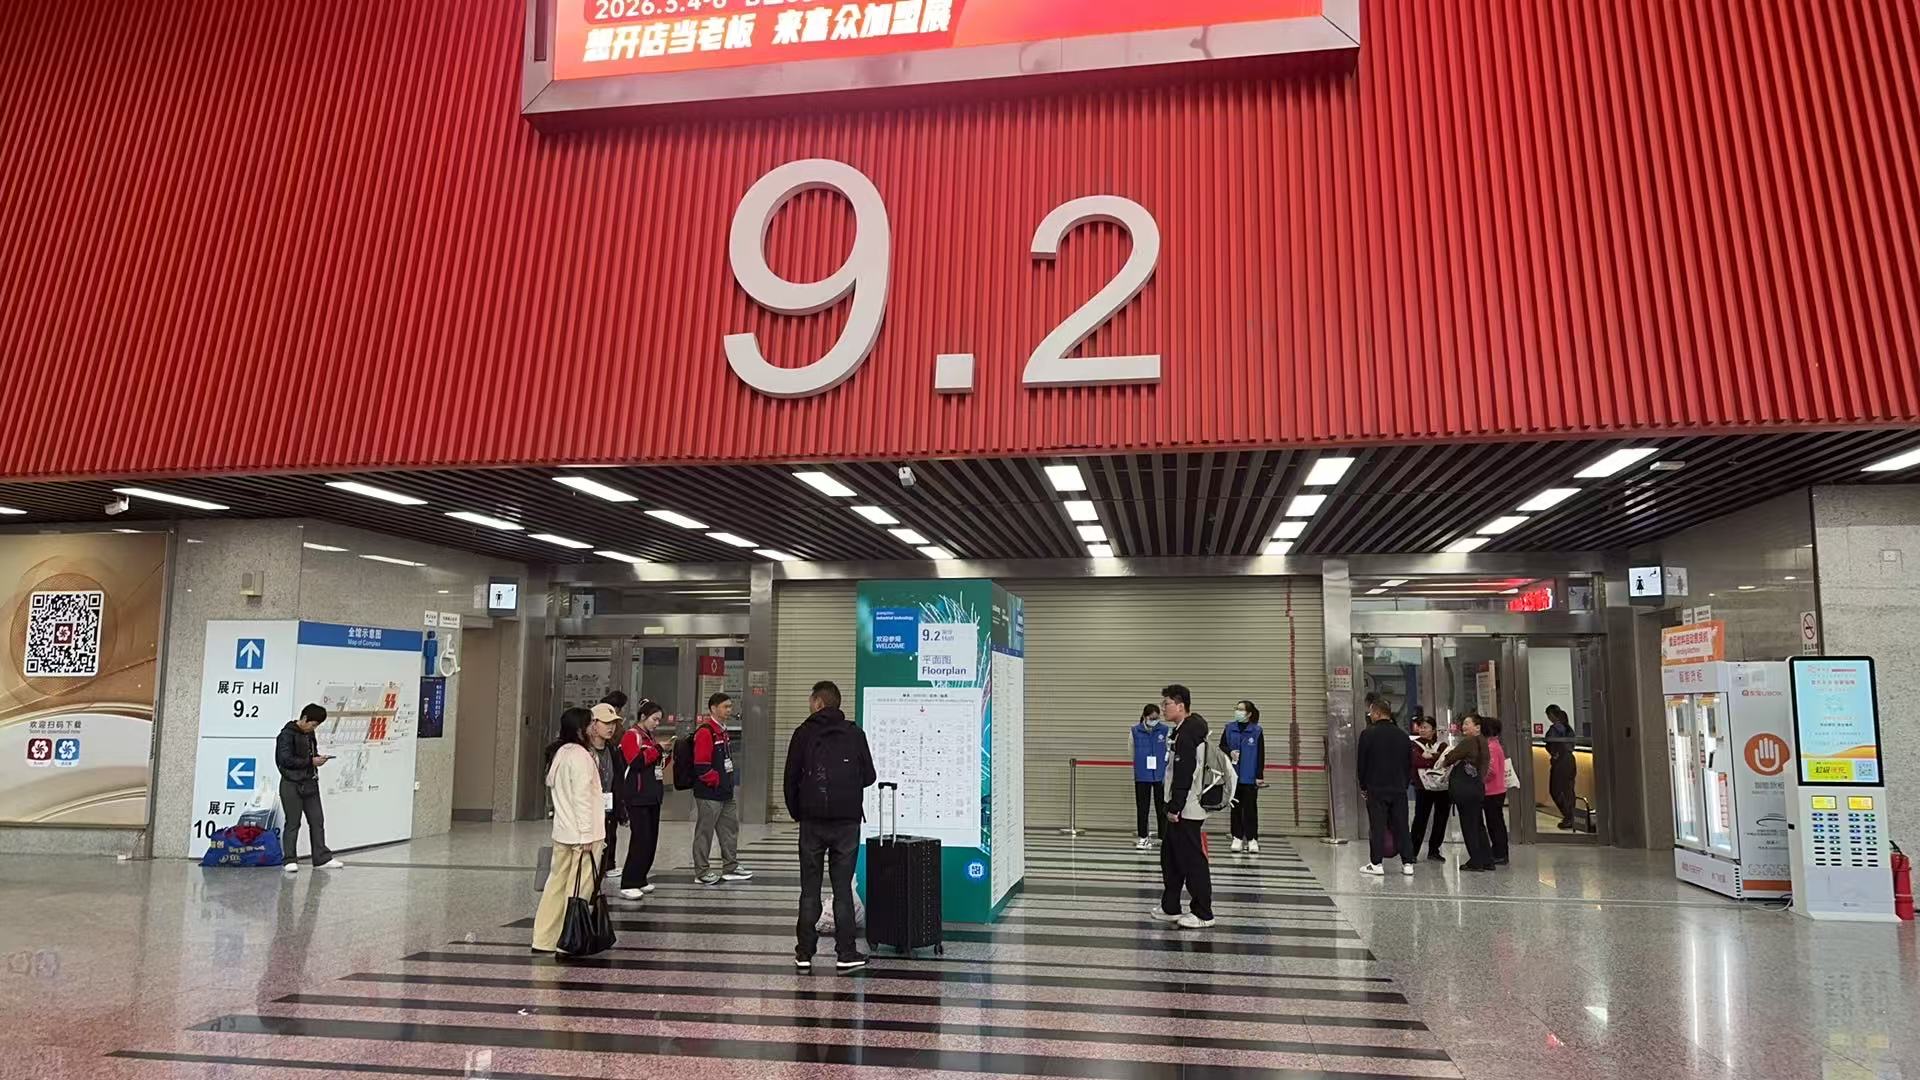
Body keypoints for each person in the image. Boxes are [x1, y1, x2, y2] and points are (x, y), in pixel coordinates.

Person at [783, 680, 877, 972]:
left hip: (812, 822)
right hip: (846, 823)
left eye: (811, 700)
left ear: (819, 703)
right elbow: (870, 776)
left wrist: (799, 812)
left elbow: (790, 779)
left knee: (809, 890)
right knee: (842, 889)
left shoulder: (803, 733)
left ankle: (804, 952)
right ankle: (845, 953)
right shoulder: (854, 733)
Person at [533, 707, 606, 954]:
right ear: (580, 729)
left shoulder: (561, 753)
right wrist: (586, 835)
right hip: (584, 835)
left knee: (555, 885)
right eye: (591, 723)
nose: (595, 727)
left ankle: (544, 938)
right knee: (579, 889)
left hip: (563, 832)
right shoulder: (581, 757)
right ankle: (569, 938)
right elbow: (582, 799)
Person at [1150, 684, 1215, 930]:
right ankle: (1171, 906)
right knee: (1171, 858)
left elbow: (1184, 774)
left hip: (1187, 809)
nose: (1163, 708)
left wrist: (1175, 807)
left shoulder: (1188, 734)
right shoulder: (1180, 731)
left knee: (1192, 861)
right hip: (1179, 806)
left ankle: (1203, 912)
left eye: (1166, 703)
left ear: (1180, 706)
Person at [691, 692, 752, 885]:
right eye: (725, 707)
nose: (729, 710)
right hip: (709, 793)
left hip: (725, 792)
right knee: (705, 832)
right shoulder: (705, 732)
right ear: (713, 708)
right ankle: (702, 871)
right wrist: (716, 781)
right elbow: (701, 766)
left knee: (729, 829)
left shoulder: (722, 732)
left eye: (730, 706)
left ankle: (730, 866)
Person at [276, 703, 345, 873]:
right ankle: (289, 859)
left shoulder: (309, 734)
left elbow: (310, 755)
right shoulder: (286, 735)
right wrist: (310, 762)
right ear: (305, 718)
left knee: (317, 820)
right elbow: (284, 760)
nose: (313, 728)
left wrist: (317, 759)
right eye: (313, 725)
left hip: (310, 782)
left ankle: (321, 857)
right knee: (293, 822)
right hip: (291, 783)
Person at [1356, 700, 1415, 876]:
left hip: (1376, 788)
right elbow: (1409, 763)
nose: (1370, 717)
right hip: (1398, 788)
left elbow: (1362, 763)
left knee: (1377, 826)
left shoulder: (1367, 734)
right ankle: (1407, 863)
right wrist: (1404, 784)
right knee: (1402, 825)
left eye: (1371, 713)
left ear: (1377, 713)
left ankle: (1376, 863)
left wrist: (1363, 785)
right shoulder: (1403, 735)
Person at [617, 699, 667, 900]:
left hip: (652, 794)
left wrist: (664, 753)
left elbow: (655, 764)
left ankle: (640, 878)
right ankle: (629, 881)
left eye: (659, 720)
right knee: (640, 839)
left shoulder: (649, 737)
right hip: (637, 795)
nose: (657, 723)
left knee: (651, 839)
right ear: (643, 717)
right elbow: (636, 761)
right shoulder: (632, 736)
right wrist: (657, 750)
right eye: (654, 719)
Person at [1439, 713, 1494, 871]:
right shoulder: (1483, 741)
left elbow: (1450, 758)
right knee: (1478, 825)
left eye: (1467, 724)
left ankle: (1476, 861)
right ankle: (1487, 859)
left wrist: (1447, 757)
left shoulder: (1469, 741)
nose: (1464, 727)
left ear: (1477, 727)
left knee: (1469, 826)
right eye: (1463, 724)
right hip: (1476, 788)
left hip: (1465, 790)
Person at [1222, 700, 1266, 853]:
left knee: (1250, 809)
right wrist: (1230, 752)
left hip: (1250, 776)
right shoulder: (1229, 728)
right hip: (1233, 776)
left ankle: (1252, 838)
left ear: (1249, 713)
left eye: (1241, 709)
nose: (1238, 712)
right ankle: (1237, 837)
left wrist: (1259, 775)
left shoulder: (1257, 731)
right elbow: (1222, 746)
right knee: (1235, 808)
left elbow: (1260, 754)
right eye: (1237, 709)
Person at [1408, 714, 1451, 862]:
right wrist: (1436, 759)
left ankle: (1434, 850)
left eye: (1425, 727)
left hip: (1442, 787)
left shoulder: (1442, 745)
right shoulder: (1414, 745)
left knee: (1441, 818)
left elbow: (1447, 760)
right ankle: (1412, 852)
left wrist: (1431, 757)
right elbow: (1417, 761)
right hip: (1423, 786)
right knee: (1420, 818)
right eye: (1420, 727)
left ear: (1433, 730)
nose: (1422, 730)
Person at [588, 703, 622, 878]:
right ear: (594, 723)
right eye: (606, 723)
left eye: (613, 723)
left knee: (610, 835)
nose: (611, 727)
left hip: (608, 802)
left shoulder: (613, 749)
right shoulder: (583, 750)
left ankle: (608, 865)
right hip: (589, 805)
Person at [1130, 704, 1169, 849]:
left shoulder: (1165, 730)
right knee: (1142, 808)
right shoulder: (1135, 731)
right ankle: (1143, 837)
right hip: (1142, 774)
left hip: (1160, 774)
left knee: (1162, 807)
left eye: (1156, 718)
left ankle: (1163, 837)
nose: (1154, 720)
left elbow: (1169, 750)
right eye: (1152, 718)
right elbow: (1131, 751)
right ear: (1145, 717)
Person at [1482, 714, 1511, 865]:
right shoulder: (1495, 745)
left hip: (1492, 791)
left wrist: (1480, 779)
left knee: (1495, 824)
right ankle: (1499, 851)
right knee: (1496, 822)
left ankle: (1500, 853)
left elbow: (1491, 770)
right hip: (1497, 790)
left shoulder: (1491, 747)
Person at [1544, 704, 1578, 829]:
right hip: (1570, 760)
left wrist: (1554, 754)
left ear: (1551, 715)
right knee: (1568, 790)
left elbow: (1549, 742)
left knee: (1556, 790)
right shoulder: (1567, 728)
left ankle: (1568, 816)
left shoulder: (1555, 729)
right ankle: (1571, 817)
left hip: (1561, 762)